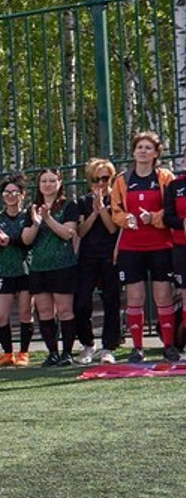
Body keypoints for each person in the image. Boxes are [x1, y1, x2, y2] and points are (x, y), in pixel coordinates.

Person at [110, 130, 176, 362]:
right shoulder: (122, 179)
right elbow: (115, 210)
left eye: (148, 148)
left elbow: (172, 209)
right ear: (134, 151)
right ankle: (137, 348)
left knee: (163, 295)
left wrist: (155, 217)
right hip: (131, 245)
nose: (143, 151)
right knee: (135, 297)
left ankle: (169, 345)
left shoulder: (165, 177)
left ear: (156, 153)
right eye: (140, 147)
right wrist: (124, 220)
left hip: (161, 243)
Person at [22, 168, 80, 366]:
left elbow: (67, 233)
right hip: (39, 266)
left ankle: (67, 353)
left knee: (65, 310)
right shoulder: (33, 208)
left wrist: (48, 218)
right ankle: (52, 352)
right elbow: (26, 239)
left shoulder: (69, 205)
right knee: (45, 311)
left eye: (52, 180)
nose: (47, 184)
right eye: (44, 181)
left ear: (59, 183)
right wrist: (37, 223)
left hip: (63, 264)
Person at [75, 158, 122, 365]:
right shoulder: (82, 202)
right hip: (88, 256)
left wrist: (103, 208)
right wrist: (94, 212)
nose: (100, 183)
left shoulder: (117, 199)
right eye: (96, 179)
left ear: (111, 178)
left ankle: (109, 347)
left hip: (110, 255)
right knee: (82, 302)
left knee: (111, 301)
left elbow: (113, 229)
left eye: (104, 178)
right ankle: (88, 344)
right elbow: (81, 231)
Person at [0, 173, 35, 367]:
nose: (10, 196)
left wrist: (12, 241)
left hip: (25, 269)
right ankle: (7, 353)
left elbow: (29, 241)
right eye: (6, 192)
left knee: (25, 313)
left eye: (14, 192)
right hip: (5, 270)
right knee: (0, 315)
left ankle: (24, 353)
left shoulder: (29, 215)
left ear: (22, 194)